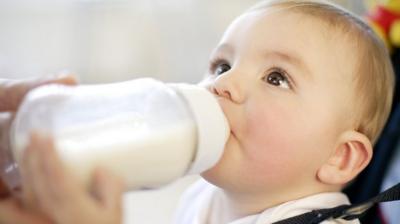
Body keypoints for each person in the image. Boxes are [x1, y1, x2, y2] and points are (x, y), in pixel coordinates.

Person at [1, 0, 395, 223]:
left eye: (276, 78)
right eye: (222, 66)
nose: (224, 85)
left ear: (340, 157)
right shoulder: (205, 192)